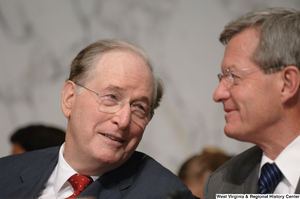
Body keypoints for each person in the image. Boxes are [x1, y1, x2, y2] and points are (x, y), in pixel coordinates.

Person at [0, 39, 195, 199]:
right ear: (69, 98)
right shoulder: (6, 173)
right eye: (111, 97)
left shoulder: (163, 194)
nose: (124, 119)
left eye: (139, 108)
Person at [203, 7, 300, 198]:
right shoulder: (221, 184)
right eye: (222, 77)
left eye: (233, 76)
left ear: (287, 84)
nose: (218, 94)